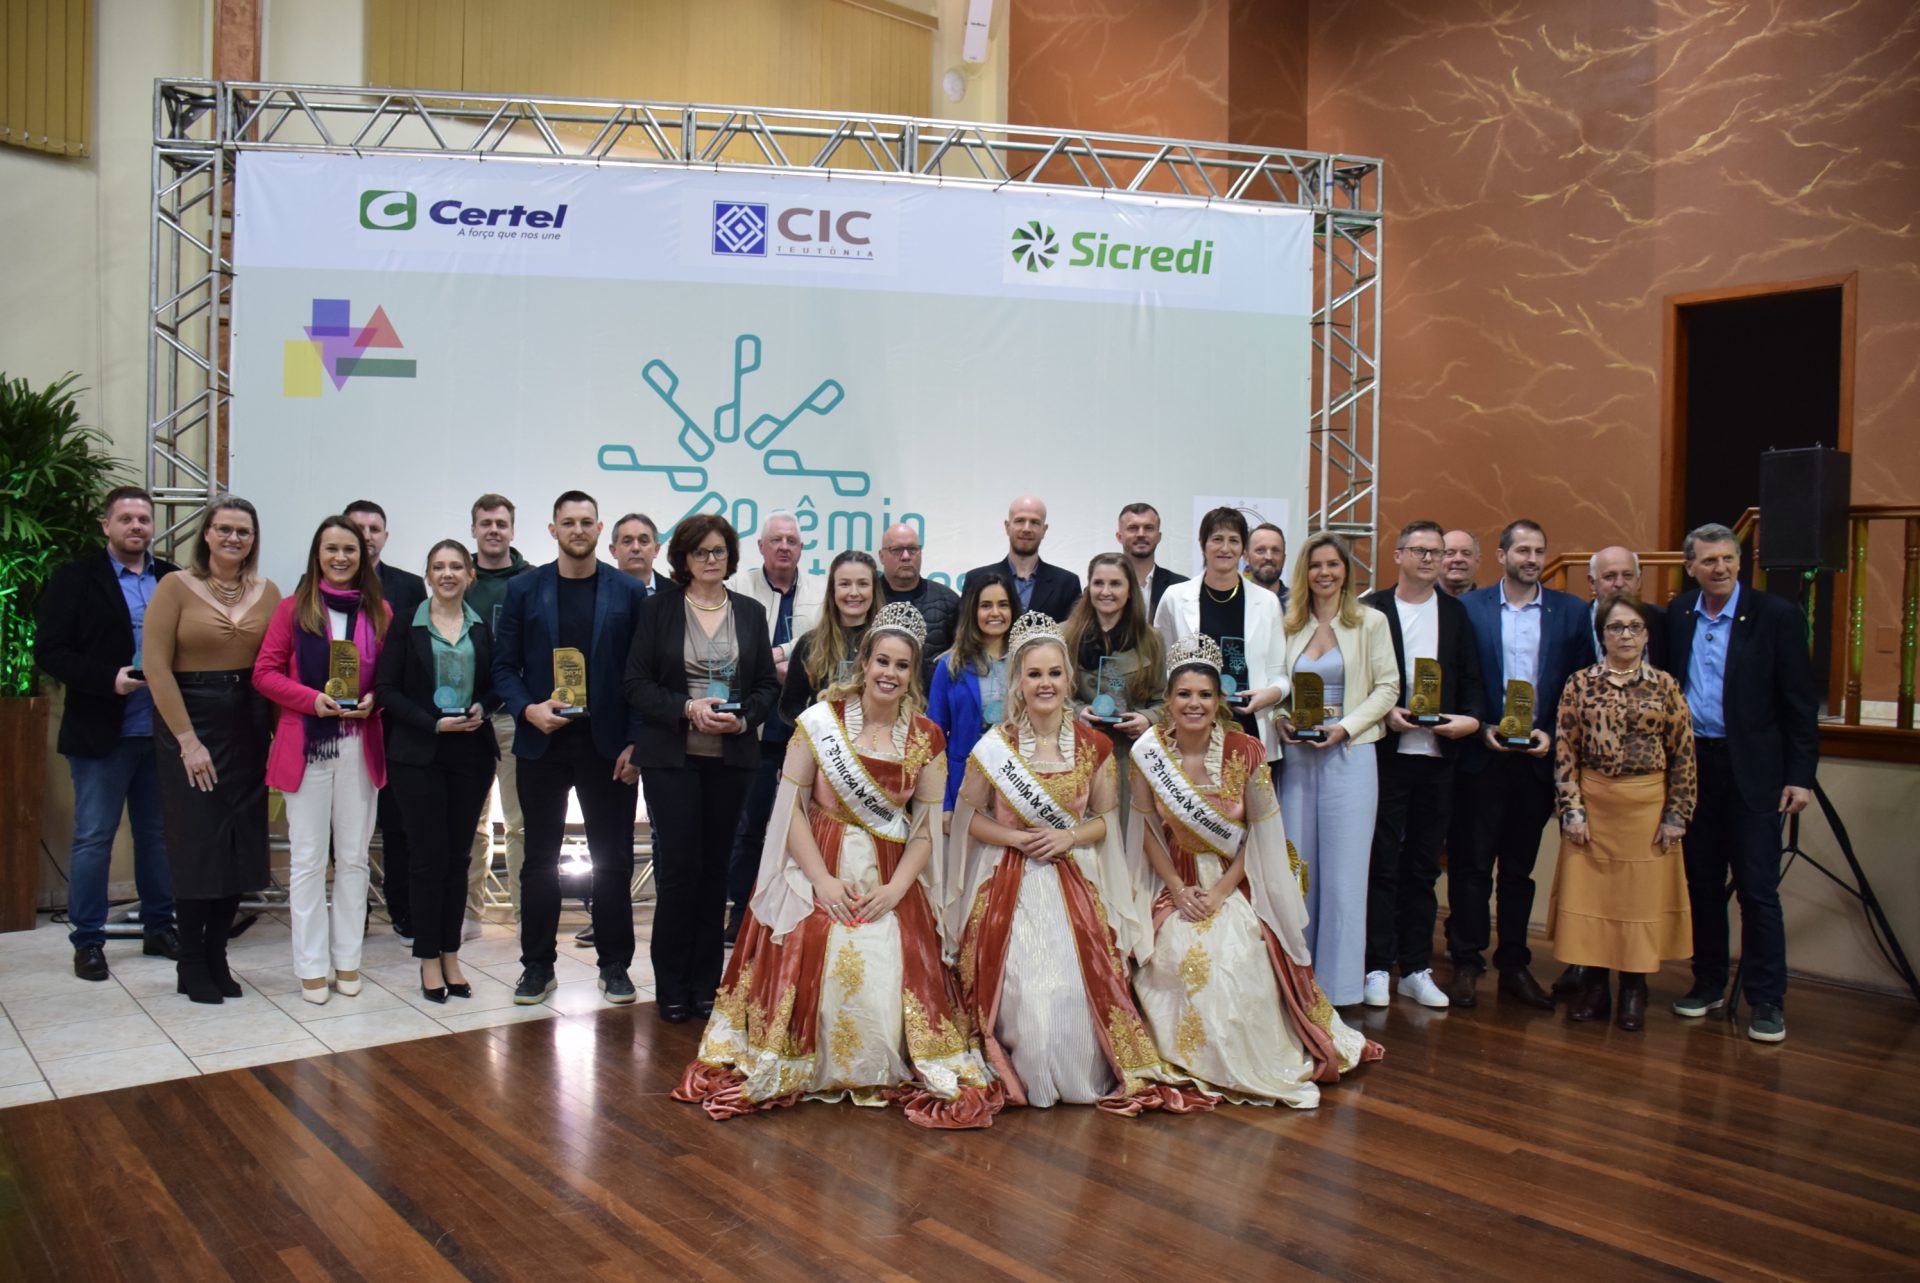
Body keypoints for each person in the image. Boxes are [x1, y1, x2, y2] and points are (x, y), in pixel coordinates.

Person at [675, 604, 1002, 1128]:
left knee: (895, 953)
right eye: (882, 661)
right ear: (864, 662)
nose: (890, 673)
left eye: (902, 665)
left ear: (912, 674)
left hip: (891, 873)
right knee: (812, 939)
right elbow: (791, 810)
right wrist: (822, 881)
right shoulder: (819, 722)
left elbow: (923, 829)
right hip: (817, 862)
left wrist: (897, 889)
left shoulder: (927, 738)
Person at [943, 611, 1210, 1114]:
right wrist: (1017, 839)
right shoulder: (994, 746)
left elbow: (1105, 821)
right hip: (1008, 881)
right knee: (1029, 997)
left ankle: (1080, 1072)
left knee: (1070, 991)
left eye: (1054, 673)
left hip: (1075, 879)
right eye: (1034, 674)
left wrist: (1067, 836)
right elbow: (968, 818)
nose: (1045, 683)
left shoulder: (1095, 746)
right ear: (1018, 682)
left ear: (1069, 679)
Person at [1129, 636, 1383, 1104]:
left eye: (1205, 695)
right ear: (1167, 700)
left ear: (1219, 701)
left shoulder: (1245, 750)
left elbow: (1261, 836)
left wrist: (1221, 892)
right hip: (1175, 880)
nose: (1194, 704)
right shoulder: (1147, 753)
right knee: (1169, 958)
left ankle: (1246, 1057)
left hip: (1236, 881)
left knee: (1236, 959)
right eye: (1184, 694)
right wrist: (1178, 888)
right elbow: (1145, 831)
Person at [492, 491, 649, 1005]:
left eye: (586, 522)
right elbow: (503, 667)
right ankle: (537, 967)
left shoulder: (629, 591)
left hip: (608, 748)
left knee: (613, 861)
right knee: (538, 861)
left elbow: (641, 674)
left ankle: (615, 965)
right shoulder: (524, 589)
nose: (577, 529)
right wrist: (526, 709)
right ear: (552, 529)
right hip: (543, 742)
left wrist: (636, 741)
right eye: (568, 522)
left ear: (600, 529)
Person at [626, 514, 780, 1022]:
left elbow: (766, 685)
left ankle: (706, 984)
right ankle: (671, 985)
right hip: (672, 760)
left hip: (731, 760)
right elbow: (636, 683)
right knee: (678, 871)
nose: (711, 560)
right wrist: (687, 708)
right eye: (701, 552)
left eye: (719, 551)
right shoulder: (659, 609)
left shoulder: (750, 612)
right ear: (683, 559)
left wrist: (744, 720)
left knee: (716, 872)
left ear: (730, 557)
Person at [1666, 522, 1817, 1042]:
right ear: (1691, 566)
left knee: (1757, 890)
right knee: (1702, 884)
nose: (1721, 568)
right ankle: (1708, 982)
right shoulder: (1680, 614)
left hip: (1755, 771)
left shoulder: (1776, 615)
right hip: (1695, 768)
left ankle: (1766, 999)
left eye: (1729, 558)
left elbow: (1800, 704)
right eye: (1709, 561)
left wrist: (1800, 777)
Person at [35, 486, 180, 981]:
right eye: (126, 519)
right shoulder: (75, 578)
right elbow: (50, 651)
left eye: (144, 519)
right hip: (103, 731)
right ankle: (89, 940)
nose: (136, 526)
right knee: (94, 837)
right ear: (106, 525)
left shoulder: (172, 578)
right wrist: (107, 680)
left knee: (157, 837)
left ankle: (160, 927)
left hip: (161, 732)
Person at [1449, 520, 1592, 1010]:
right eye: (1522, 550)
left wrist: (1552, 730)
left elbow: (1578, 684)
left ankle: (1514, 964)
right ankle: (1466, 963)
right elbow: (1460, 677)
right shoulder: (1470, 609)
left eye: (1538, 551)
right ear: (1502, 554)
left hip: (1536, 759)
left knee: (1518, 871)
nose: (1531, 559)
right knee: (1471, 867)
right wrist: (1480, 726)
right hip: (1482, 756)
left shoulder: (1571, 612)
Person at [142, 498, 280, 1004]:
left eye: (243, 531)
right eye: (224, 529)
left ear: (253, 539)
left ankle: (218, 955)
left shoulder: (269, 592)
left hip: (249, 723)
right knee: (198, 845)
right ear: (206, 534)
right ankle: (191, 961)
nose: (233, 538)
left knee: (239, 846)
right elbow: (155, 667)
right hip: (191, 724)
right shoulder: (174, 587)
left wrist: (279, 739)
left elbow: (275, 667)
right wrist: (187, 741)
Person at [254, 516, 390, 1005]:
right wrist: (311, 700)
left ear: (362, 556)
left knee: (353, 859)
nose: (340, 557)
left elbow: (391, 677)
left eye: (349, 549)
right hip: (306, 746)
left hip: (359, 744)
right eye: (331, 549)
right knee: (309, 861)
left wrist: (375, 699)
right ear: (317, 555)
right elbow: (264, 673)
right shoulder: (293, 609)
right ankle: (311, 966)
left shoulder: (380, 612)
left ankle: (348, 959)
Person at [1547, 595, 1696, 1031]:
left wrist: (1677, 813)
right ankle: (1595, 988)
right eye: (1615, 627)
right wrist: (1572, 809)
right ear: (1602, 635)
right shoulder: (1579, 684)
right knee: (1593, 900)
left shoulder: (1665, 685)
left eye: (1634, 627)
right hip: (1594, 807)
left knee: (1637, 904)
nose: (1625, 635)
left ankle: (1634, 989)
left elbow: (1684, 753)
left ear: (1647, 635)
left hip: (1646, 810)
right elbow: (1565, 751)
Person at [1359, 521, 1484, 1010]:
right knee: (1381, 864)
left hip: (1438, 757)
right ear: (1398, 555)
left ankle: (1415, 967)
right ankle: (1376, 965)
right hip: (1386, 755)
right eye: (1420, 550)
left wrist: (1470, 720)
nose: (1431, 559)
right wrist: (1383, 712)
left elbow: (1470, 678)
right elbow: (1359, 679)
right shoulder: (1373, 610)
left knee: (1424, 867)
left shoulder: (1455, 613)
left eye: (1437, 551)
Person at [1275, 533, 1399, 1006]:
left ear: (1346, 571)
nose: (1324, 573)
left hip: (1349, 756)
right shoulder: (1289, 624)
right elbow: (1276, 685)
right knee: (1297, 870)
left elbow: (1388, 688)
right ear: (1303, 573)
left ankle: (1340, 988)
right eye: (1315, 565)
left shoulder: (1370, 621)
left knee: (1345, 877)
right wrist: (1280, 719)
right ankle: (1297, 981)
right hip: (1299, 758)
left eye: (1333, 564)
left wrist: (1345, 728)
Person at [375, 539, 500, 1002]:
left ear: (470, 575)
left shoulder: (481, 627)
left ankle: (451, 954)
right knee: (427, 860)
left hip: (470, 755)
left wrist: (484, 706)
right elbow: (386, 690)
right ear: (427, 575)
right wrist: (432, 722)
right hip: (419, 755)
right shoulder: (406, 623)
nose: (448, 574)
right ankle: (428, 959)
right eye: (439, 567)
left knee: (457, 860)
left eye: (456, 567)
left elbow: (496, 684)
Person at [723, 512, 824, 943]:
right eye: (776, 540)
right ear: (761, 546)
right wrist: (773, 664)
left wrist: (779, 654)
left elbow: (820, 643)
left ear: (801, 549)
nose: (784, 547)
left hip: (805, 729)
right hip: (757, 729)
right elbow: (732, 647)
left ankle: (798, 913)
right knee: (749, 827)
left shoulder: (821, 591)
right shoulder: (738, 587)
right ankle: (740, 912)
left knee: (803, 830)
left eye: (792, 541)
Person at [345, 500, 425, 940]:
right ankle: (353, 910)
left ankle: (402, 907)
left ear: (385, 537)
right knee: (346, 825)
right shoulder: (313, 585)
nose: (366, 536)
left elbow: (418, 653)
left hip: (394, 723)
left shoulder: (409, 586)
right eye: (357, 528)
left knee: (400, 824)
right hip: (339, 721)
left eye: (374, 528)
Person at [1152, 507, 1290, 758]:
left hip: (1249, 725)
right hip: (1191, 726)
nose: (1225, 548)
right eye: (1217, 539)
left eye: (1233, 540)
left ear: (1243, 549)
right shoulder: (1175, 598)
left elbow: (1280, 675)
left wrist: (1268, 695)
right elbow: (1161, 668)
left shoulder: (1267, 602)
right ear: (1202, 544)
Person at [464, 493, 533, 934]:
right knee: (471, 822)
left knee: (520, 823)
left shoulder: (532, 580)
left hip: (512, 717)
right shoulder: (458, 575)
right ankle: (469, 914)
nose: (493, 530)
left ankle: (527, 915)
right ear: (473, 529)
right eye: (485, 523)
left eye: (501, 523)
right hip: (466, 718)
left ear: (512, 530)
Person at [1061, 551, 1165, 827]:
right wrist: (1078, 713)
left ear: (1130, 591)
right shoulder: (1064, 635)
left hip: (1129, 756)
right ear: (1088, 588)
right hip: (1076, 752)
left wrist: (1147, 719)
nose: (1105, 591)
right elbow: (1049, 697)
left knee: (1124, 833)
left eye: (1115, 584)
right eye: (1098, 583)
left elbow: (1165, 702)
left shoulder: (1151, 640)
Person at [926, 571, 1015, 827]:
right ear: (972, 611)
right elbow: (934, 740)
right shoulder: (950, 665)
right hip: (963, 782)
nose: (995, 613)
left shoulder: (1027, 661)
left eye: (1003, 604)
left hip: (1017, 781)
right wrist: (944, 803)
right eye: (985, 605)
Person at [780, 550, 877, 721]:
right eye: (844, 584)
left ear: (874, 590)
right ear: (832, 590)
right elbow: (789, 708)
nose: (854, 592)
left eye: (863, 584)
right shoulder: (809, 643)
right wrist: (818, 728)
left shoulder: (887, 642)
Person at [963, 495, 1081, 620]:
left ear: (1044, 530)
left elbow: (1074, 631)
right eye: (1020, 521)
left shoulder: (1067, 584)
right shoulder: (975, 579)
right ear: (1007, 527)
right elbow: (965, 629)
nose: (1026, 529)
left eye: (1034, 522)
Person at [878, 522, 960, 687]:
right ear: (881, 556)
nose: (906, 556)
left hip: (930, 700)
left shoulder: (948, 600)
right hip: (879, 697)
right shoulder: (867, 599)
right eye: (897, 550)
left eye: (912, 549)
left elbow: (961, 659)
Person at [1586, 546, 1666, 669]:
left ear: (1638, 581)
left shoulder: (1661, 619)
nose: (1619, 583)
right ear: (1592, 582)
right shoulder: (1576, 621)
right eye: (1609, 576)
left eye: (1628, 575)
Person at [1117, 502, 1187, 613]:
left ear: (1158, 537)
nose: (1141, 534)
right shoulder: (1102, 587)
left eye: (1148, 528)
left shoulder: (1182, 587)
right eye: (1133, 528)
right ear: (1119, 537)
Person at [611, 512, 667, 593]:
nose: (636, 548)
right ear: (614, 550)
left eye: (643, 541)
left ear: (656, 549)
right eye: (627, 541)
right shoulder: (598, 591)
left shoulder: (677, 593)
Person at [1245, 522, 1289, 612]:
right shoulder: (1235, 602)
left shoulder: (1300, 604)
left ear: (1284, 559)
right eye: (1260, 550)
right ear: (1246, 557)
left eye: (1275, 551)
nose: (1269, 557)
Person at [1440, 530, 1481, 598]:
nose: (1458, 559)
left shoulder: (1491, 603)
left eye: (1466, 553)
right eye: (1450, 553)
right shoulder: (1422, 602)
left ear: (1477, 561)